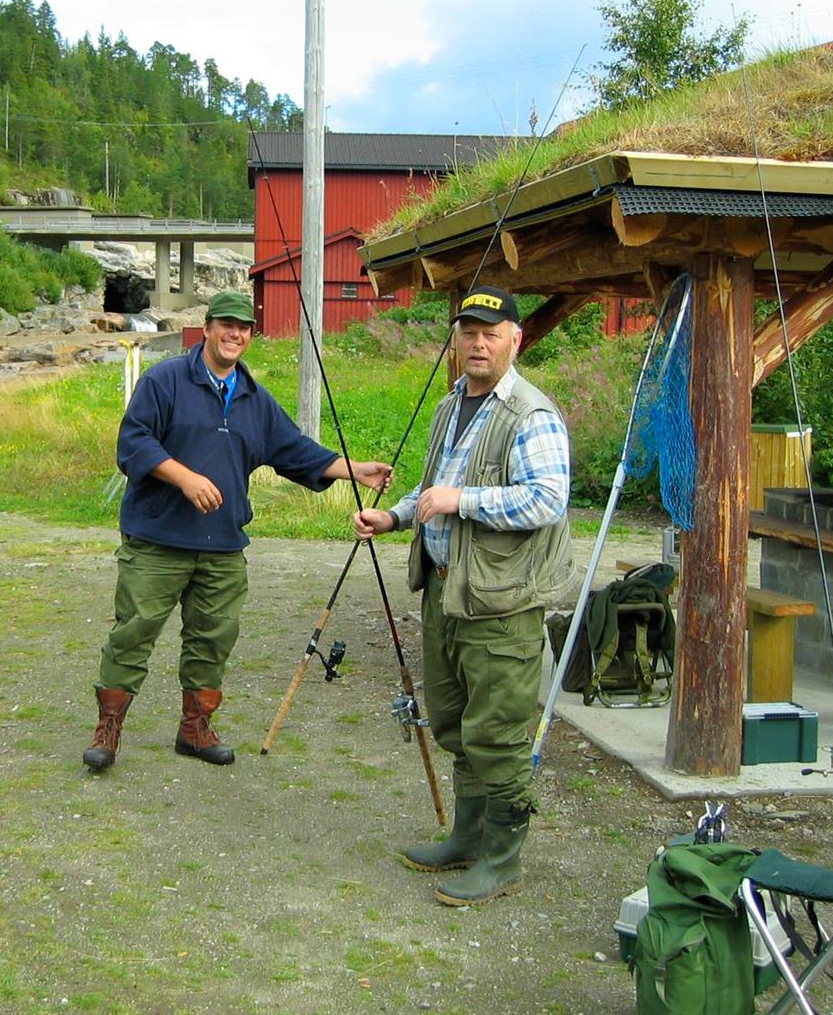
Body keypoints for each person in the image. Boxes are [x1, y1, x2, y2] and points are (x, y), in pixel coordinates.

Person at [84, 289, 392, 772]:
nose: (235, 334)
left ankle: (196, 729)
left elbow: (296, 452)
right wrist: (182, 476)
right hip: (157, 541)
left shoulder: (253, 397)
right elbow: (133, 442)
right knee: (134, 632)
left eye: (245, 327)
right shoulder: (164, 381)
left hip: (223, 546)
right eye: (226, 324)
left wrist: (355, 469)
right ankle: (109, 730)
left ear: (251, 335)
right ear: (206, 328)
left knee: (213, 637)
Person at [352, 285, 572, 906]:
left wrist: (464, 501)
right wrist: (394, 518)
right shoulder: (453, 406)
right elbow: (433, 489)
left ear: (515, 340)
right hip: (446, 595)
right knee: (454, 721)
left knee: (499, 733)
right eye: (469, 332)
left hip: (501, 604)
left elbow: (546, 500)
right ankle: (467, 838)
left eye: (491, 334)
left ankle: (502, 861)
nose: (478, 343)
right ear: (457, 339)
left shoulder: (532, 414)